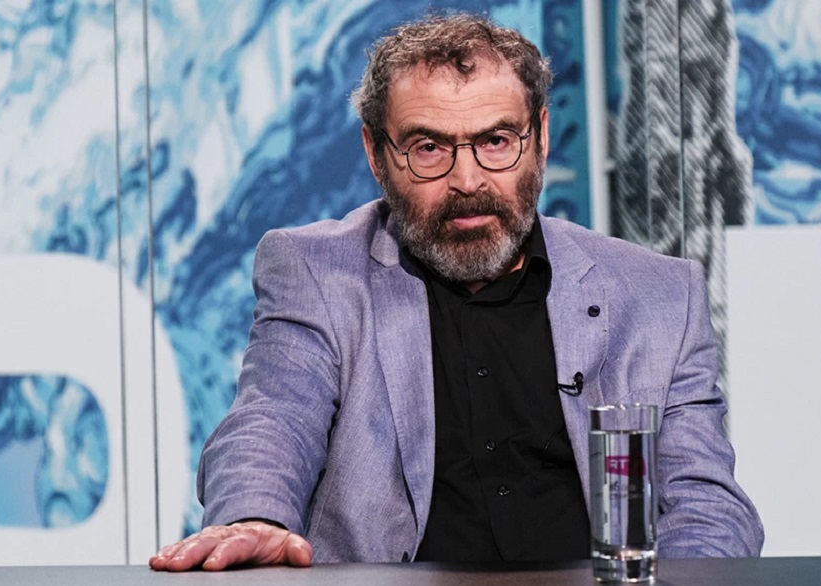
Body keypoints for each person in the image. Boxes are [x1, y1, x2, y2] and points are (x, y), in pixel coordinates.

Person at [149, 12, 763, 572]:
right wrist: (255, 517)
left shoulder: (659, 295)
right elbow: (273, 418)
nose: (467, 180)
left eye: (496, 141)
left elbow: (705, 503)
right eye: (429, 148)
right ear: (376, 154)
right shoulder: (317, 273)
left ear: (540, 136)